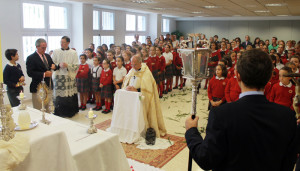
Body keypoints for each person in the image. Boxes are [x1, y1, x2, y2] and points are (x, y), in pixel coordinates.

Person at [185, 49, 298, 171]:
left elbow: (206, 160)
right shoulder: (288, 116)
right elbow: (289, 163)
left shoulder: (221, 115)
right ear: (270, 76)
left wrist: (191, 132)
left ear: (237, 75)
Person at [122, 55, 167, 137]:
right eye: (132, 64)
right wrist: (126, 87)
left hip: (141, 98)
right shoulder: (132, 70)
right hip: (131, 98)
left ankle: (143, 130)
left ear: (140, 63)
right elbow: (126, 81)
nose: (132, 66)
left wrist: (137, 91)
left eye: (134, 64)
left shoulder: (146, 72)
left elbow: (148, 89)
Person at [52, 36, 79, 117]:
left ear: (68, 43)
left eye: (63, 42)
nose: (61, 44)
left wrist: (68, 65)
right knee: (59, 95)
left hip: (68, 76)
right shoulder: (56, 51)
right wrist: (58, 65)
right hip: (59, 76)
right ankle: (59, 112)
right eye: (61, 42)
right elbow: (52, 63)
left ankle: (70, 112)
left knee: (69, 95)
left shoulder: (73, 52)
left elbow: (76, 65)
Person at [26, 38, 56, 112]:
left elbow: (52, 65)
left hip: (48, 86)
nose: (44, 49)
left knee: (48, 109)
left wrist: (55, 66)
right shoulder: (31, 58)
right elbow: (30, 73)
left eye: (45, 47)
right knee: (39, 109)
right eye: (43, 48)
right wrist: (44, 74)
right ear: (37, 46)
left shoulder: (47, 56)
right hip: (37, 87)